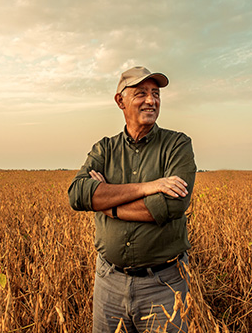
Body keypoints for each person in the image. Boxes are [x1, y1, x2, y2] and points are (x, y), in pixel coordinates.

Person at [68, 66, 197, 333]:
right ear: (120, 101)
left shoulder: (177, 145)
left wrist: (109, 205)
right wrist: (149, 187)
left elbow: (172, 205)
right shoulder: (104, 149)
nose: (151, 100)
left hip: (164, 285)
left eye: (155, 93)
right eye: (141, 94)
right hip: (109, 283)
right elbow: (78, 194)